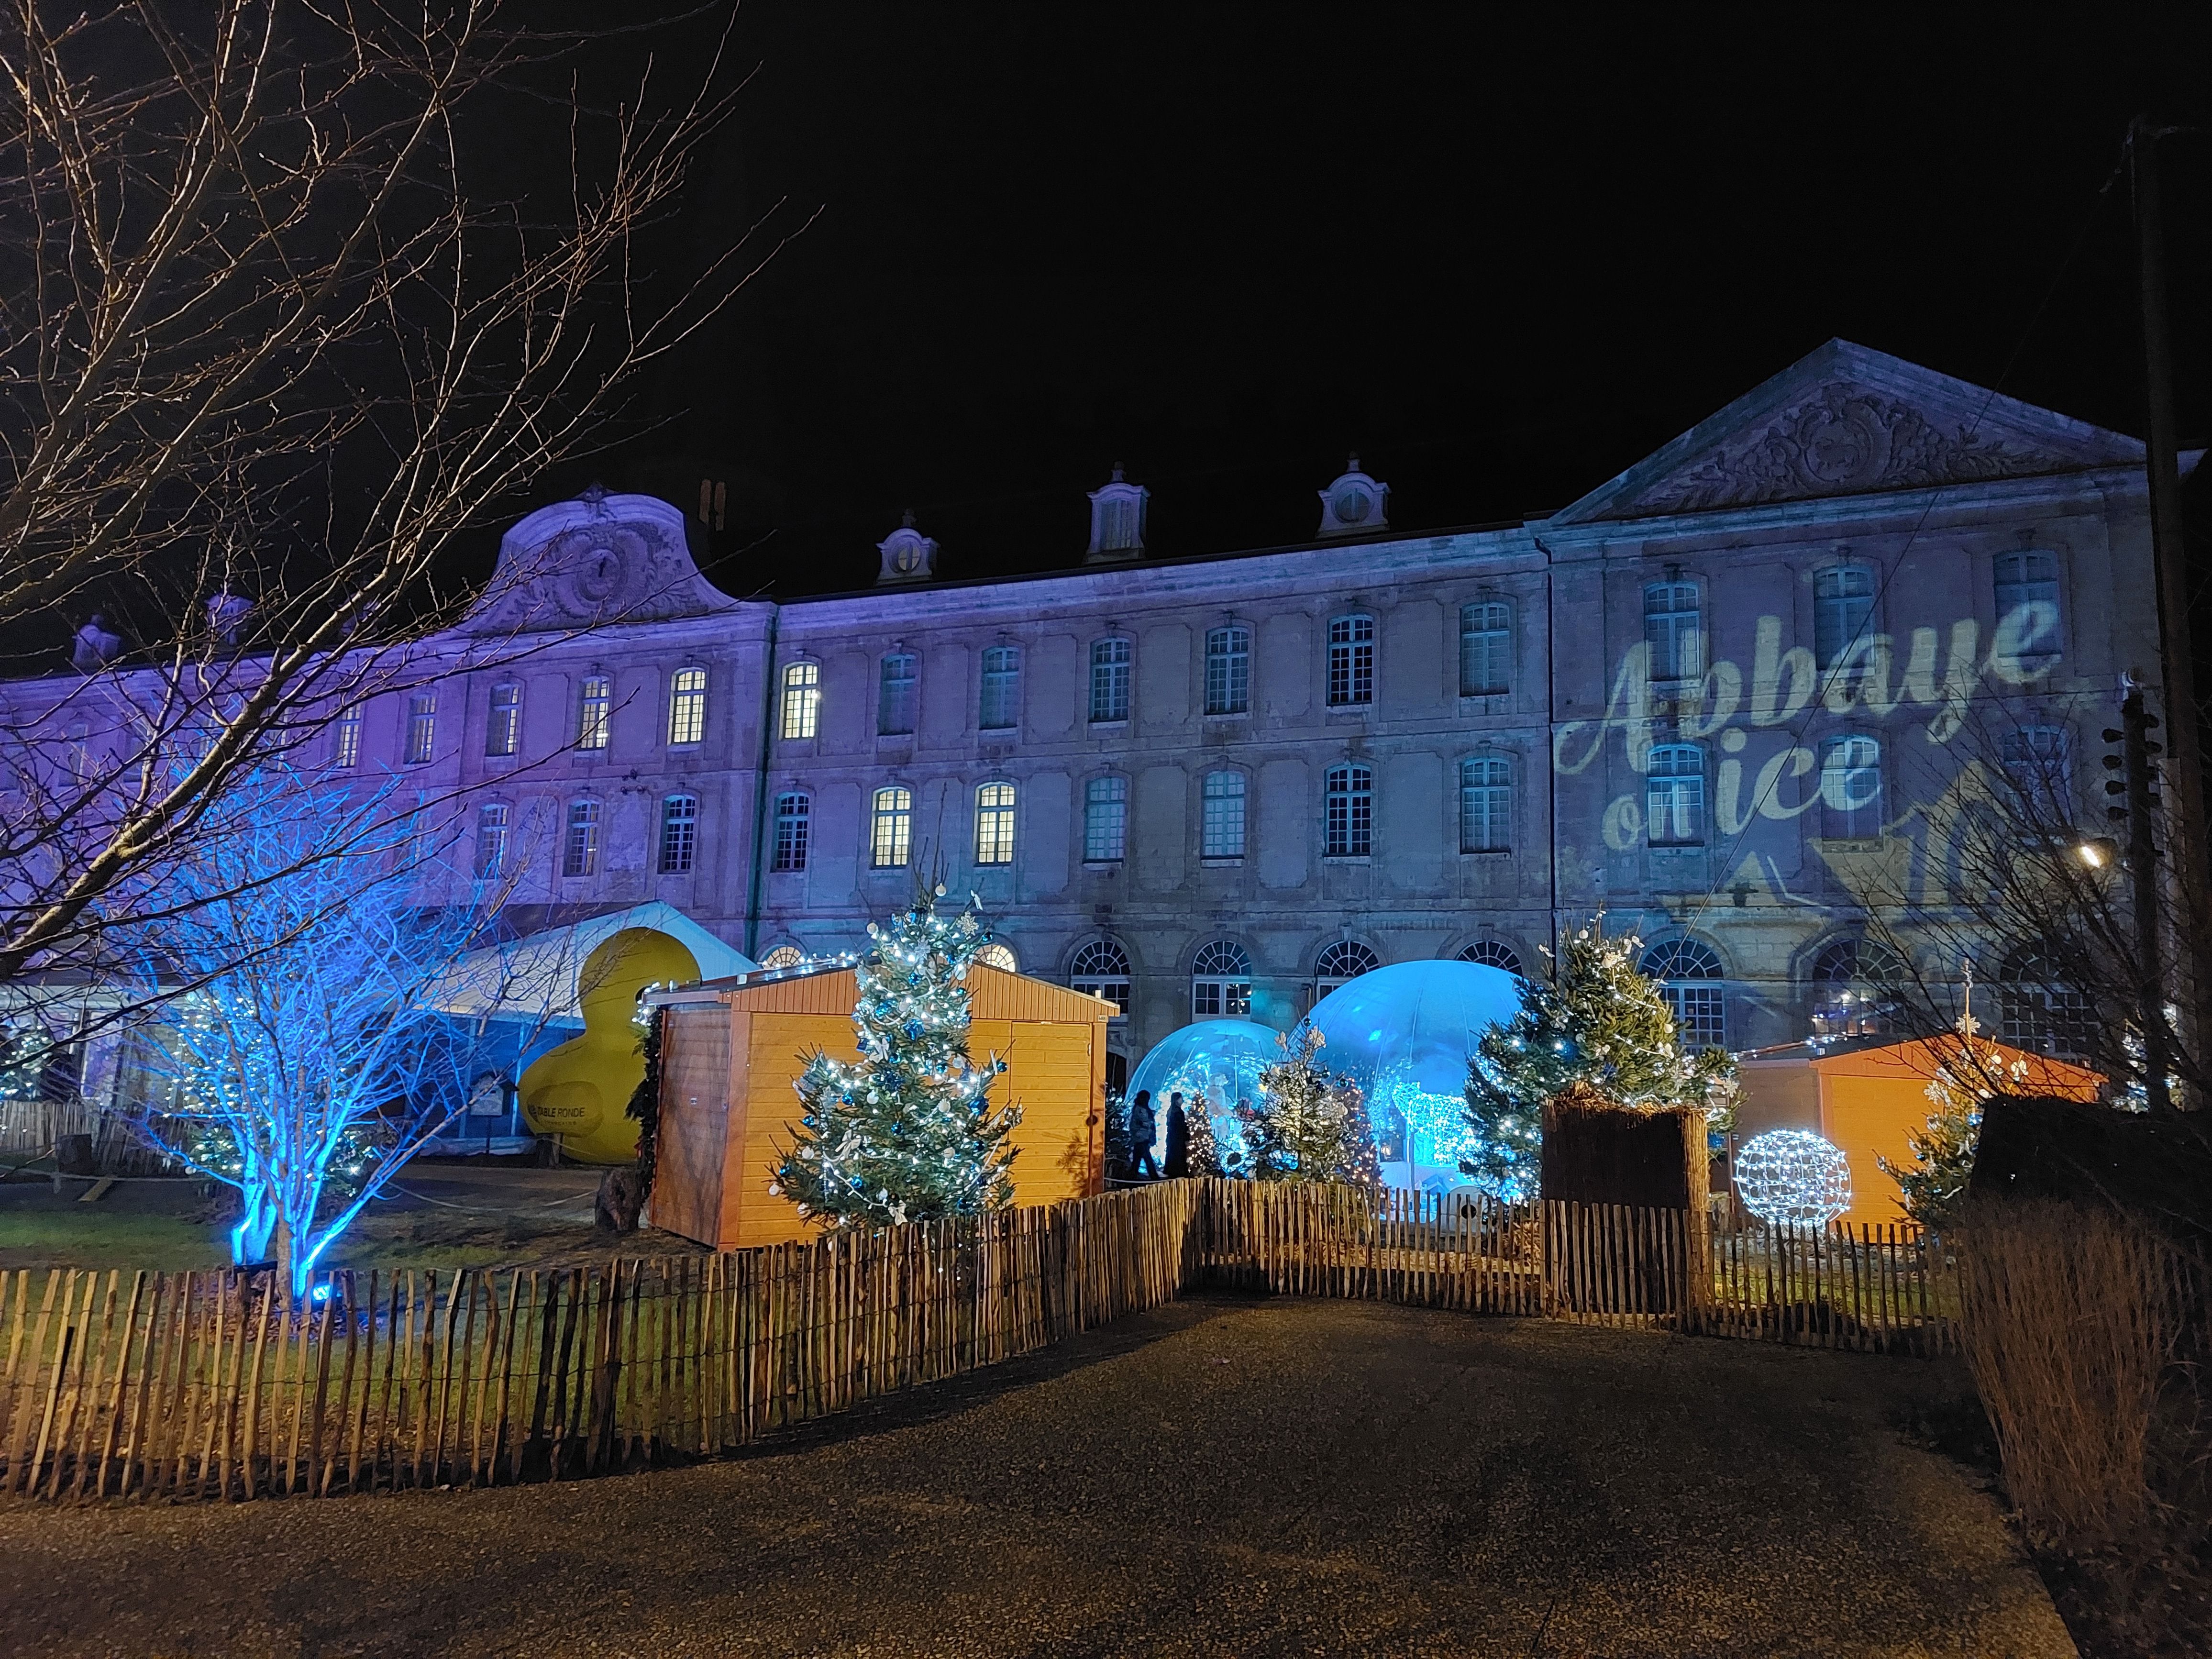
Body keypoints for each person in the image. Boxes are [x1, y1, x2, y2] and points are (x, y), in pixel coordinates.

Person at [1127, 1090, 1159, 1180]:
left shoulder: (1140, 1109)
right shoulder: (1140, 1110)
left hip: (1142, 1138)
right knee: (1147, 1159)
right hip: (1142, 1138)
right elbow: (1145, 1123)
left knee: (1137, 1159)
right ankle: (1154, 1177)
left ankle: (1132, 1177)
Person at [1163, 1092, 1190, 1178]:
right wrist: (1186, 1135)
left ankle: (1172, 1170)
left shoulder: (1171, 1111)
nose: (1183, 1100)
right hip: (1178, 1138)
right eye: (1181, 1098)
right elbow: (1180, 1127)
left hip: (1172, 1138)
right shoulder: (1178, 1112)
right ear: (1178, 1100)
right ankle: (1178, 1171)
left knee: (1173, 1153)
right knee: (1178, 1154)